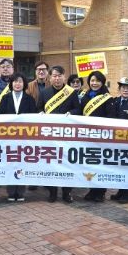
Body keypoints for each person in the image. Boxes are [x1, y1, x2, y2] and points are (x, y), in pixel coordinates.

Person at [38, 65, 81, 203]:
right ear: (50, 78)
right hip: (50, 135)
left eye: (59, 76)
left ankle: (67, 192)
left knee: (67, 163)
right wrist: (40, 113)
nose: (57, 78)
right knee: (51, 163)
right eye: (54, 76)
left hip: (67, 135)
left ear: (64, 77)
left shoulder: (71, 92)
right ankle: (52, 192)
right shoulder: (44, 93)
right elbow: (39, 108)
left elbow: (78, 109)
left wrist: (71, 113)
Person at [0, 72, 37, 201]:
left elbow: (33, 117)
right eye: (15, 81)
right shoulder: (5, 98)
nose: (17, 84)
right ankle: (11, 192)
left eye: (20, 81)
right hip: (8, 137)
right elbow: (0, 116)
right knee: (10, 163)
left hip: (24, 137)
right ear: (11, 84)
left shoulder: (29, 99)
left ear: (24, 84)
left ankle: (20, 192)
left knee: (22, 163)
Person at [81, 71, 113, 202]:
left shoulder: (107, 98)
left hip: (102, 137)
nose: (94, 83)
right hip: (87, 136)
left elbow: (110, 117)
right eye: (92, 80)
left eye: (98, 81)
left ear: (102, 82)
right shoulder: (85, 96)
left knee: (101, 164)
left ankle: (100, 192)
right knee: (90, 164)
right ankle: (92, 189)